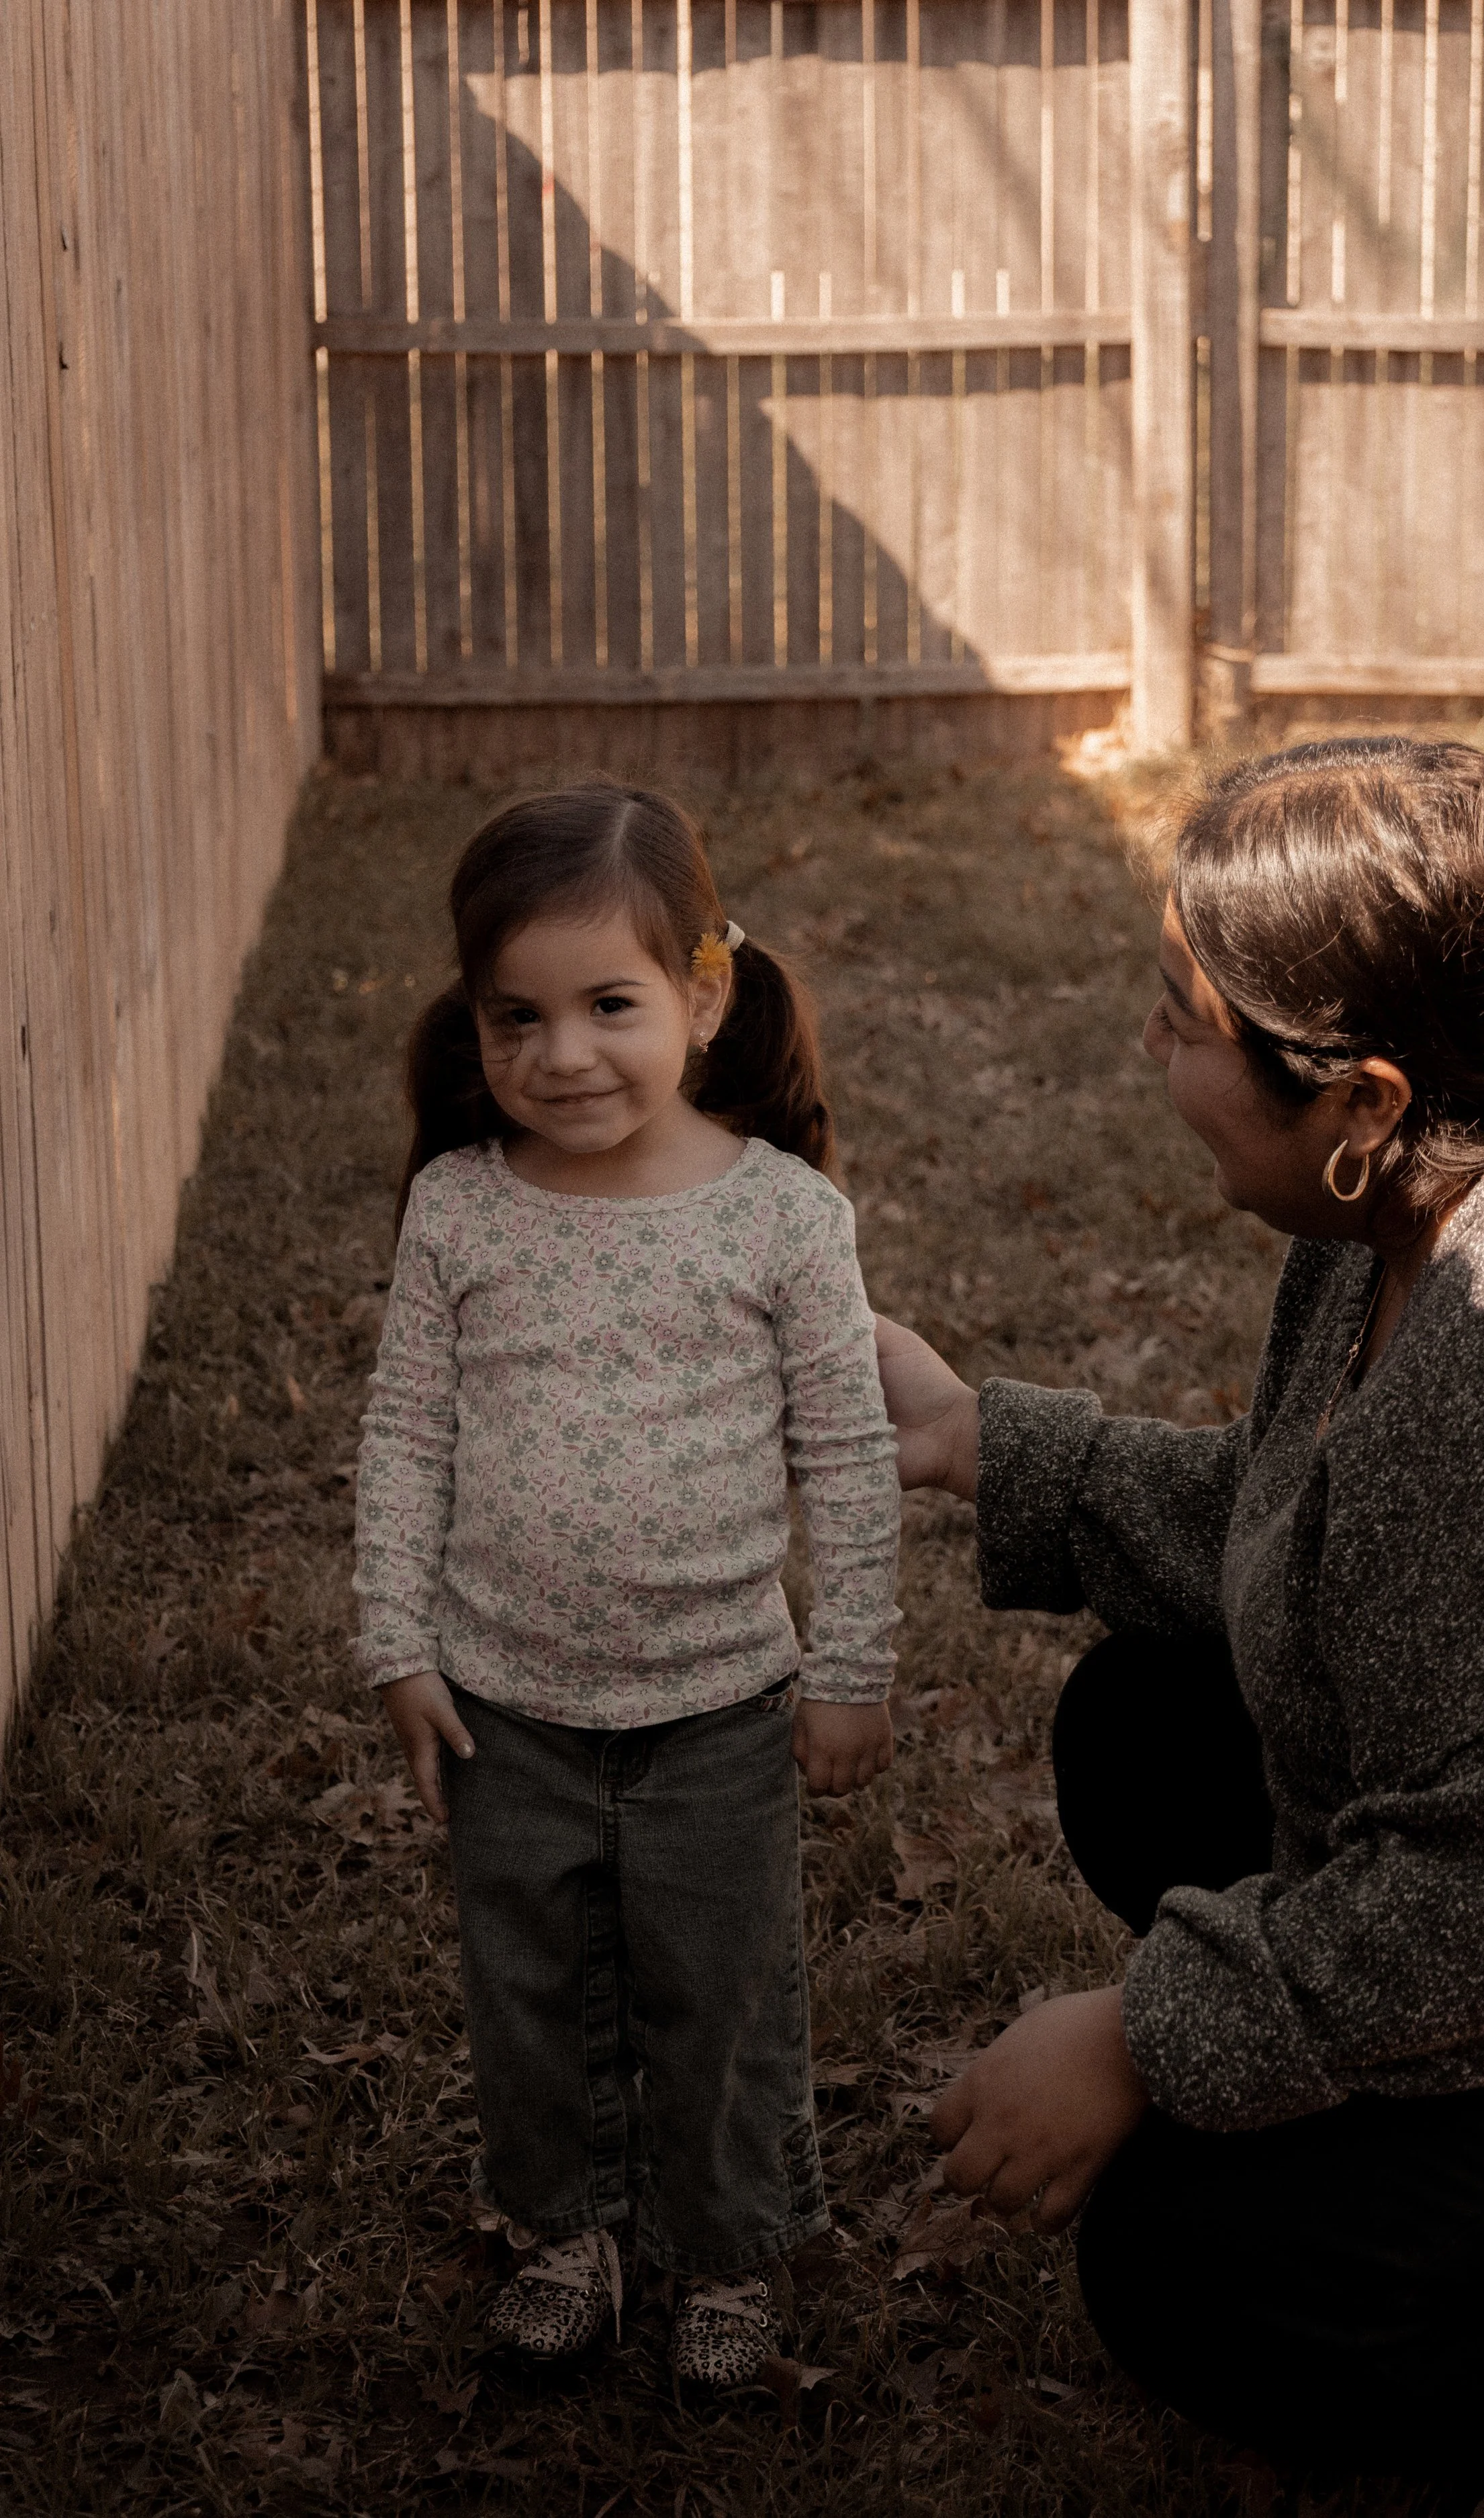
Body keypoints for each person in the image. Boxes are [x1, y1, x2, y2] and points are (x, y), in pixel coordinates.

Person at [874, 738, 1484, 2512]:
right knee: (1141, 1726)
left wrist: (1148, 2031)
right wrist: (982, 1444)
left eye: (1180, 1017)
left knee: (1193, 2261)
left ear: (1360, 1093)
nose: (1147, 1050)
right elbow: (1313, 1536)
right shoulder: (1437, 1163)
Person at [354, 784, 900, 2386]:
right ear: (472, 1018)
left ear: (704, 999)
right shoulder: (461, 1208)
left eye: (610, 1005)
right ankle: (566, 2233)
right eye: (515, 1015)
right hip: (502, 1705)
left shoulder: (782, 1220)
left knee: (717, 1996)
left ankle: (725, 2256)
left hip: (720, 1703)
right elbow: (402, 1438)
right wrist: (398, 1640)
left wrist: (851, 1662)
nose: (562, 1055)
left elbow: (849, 1455)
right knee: (528, 1990)